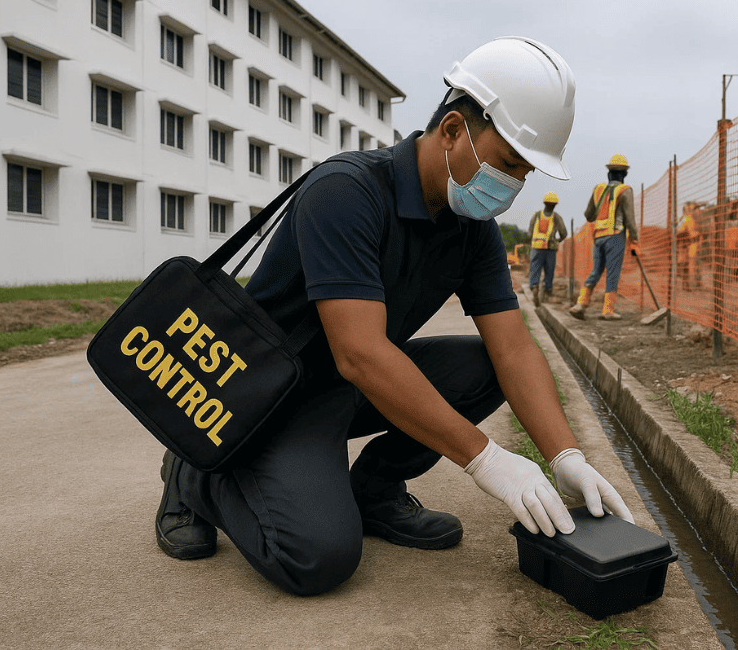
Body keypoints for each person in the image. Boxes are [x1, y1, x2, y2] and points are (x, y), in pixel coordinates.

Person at [154, 37, 635, 597]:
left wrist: (564, 454)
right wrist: (485, 460)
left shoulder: (471, 229)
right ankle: (196, 473)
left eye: (524, 172)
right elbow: (359, 353)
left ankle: (375, 491)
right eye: (508, 164)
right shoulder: (346, 191)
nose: (513, 186)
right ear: (453, 130)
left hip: (351, 388)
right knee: (315, 557)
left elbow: (513, 348)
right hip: (269, 398)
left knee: (485, 367)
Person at [568, 154, 639, 320]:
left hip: (598, 237)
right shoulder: (625, 190)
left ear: (609, 174)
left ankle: (581, 304)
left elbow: (589, 215)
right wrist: (635, 240)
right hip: (615, 236)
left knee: (595, 271)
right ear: (625, 175)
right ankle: (608, 311)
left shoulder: (598, 190)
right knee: (612, 273)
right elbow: (630, 219)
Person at [527, 192, 568, 306]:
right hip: (550, 248)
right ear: (554, 205)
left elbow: (529, 233)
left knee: (535, 270)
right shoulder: (556, 217)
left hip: (536, 247)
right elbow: (564, 233)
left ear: (544, 203)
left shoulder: (536, 215)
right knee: (549, 271)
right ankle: (547, 291)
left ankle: (535, 288)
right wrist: (557, 240)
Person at [676, 202, 703, 290]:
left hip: (693, 244)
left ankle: (694, 283)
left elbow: (700, 232)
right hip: (688, 244)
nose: (695, 211)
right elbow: (681, 232)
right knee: (689, 265)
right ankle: (688, 284)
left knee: (693, 265)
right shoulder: (687, 219)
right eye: (693, 209)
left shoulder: (695, 220)